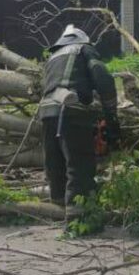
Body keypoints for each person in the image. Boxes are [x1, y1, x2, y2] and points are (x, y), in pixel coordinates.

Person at [37, 25, 120, 208]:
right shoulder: (84, 49)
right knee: (79, 164)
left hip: (46, 113)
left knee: (55, 166)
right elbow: (104, 79)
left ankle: (58, 209)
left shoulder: (52, 57)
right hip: (71, 112)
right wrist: (111, 115)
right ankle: (79, 219)